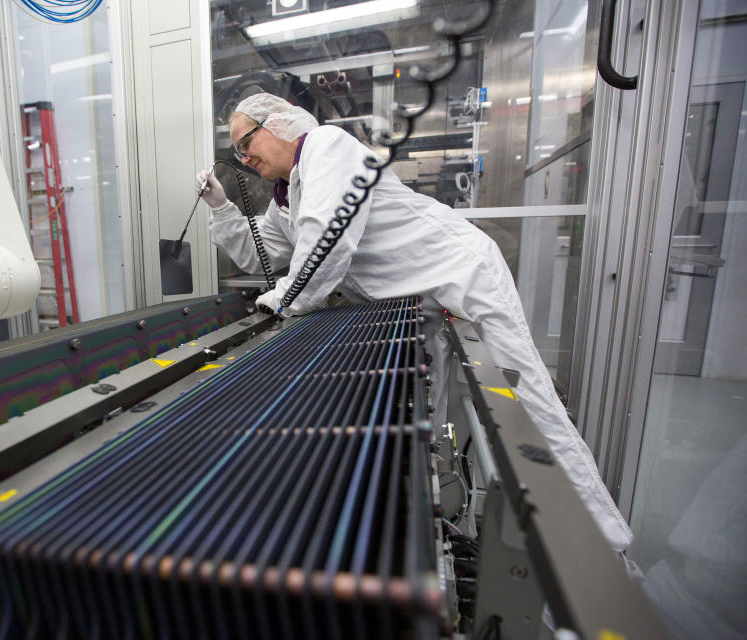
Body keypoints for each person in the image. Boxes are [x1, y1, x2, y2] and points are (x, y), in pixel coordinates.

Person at [196, 92, 632, 552]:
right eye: (236, 153)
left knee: (524, 407)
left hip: (460, 274)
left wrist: (284, 299)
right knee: (429, 429)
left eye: (246, 143)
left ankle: (603, 546)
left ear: (280, 124)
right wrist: (222, 207)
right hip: (412, 304)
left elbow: (328, 239)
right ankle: (447, 532)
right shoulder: (285, 196)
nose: (244, 158)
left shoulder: (327, 146)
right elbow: (257, 251)